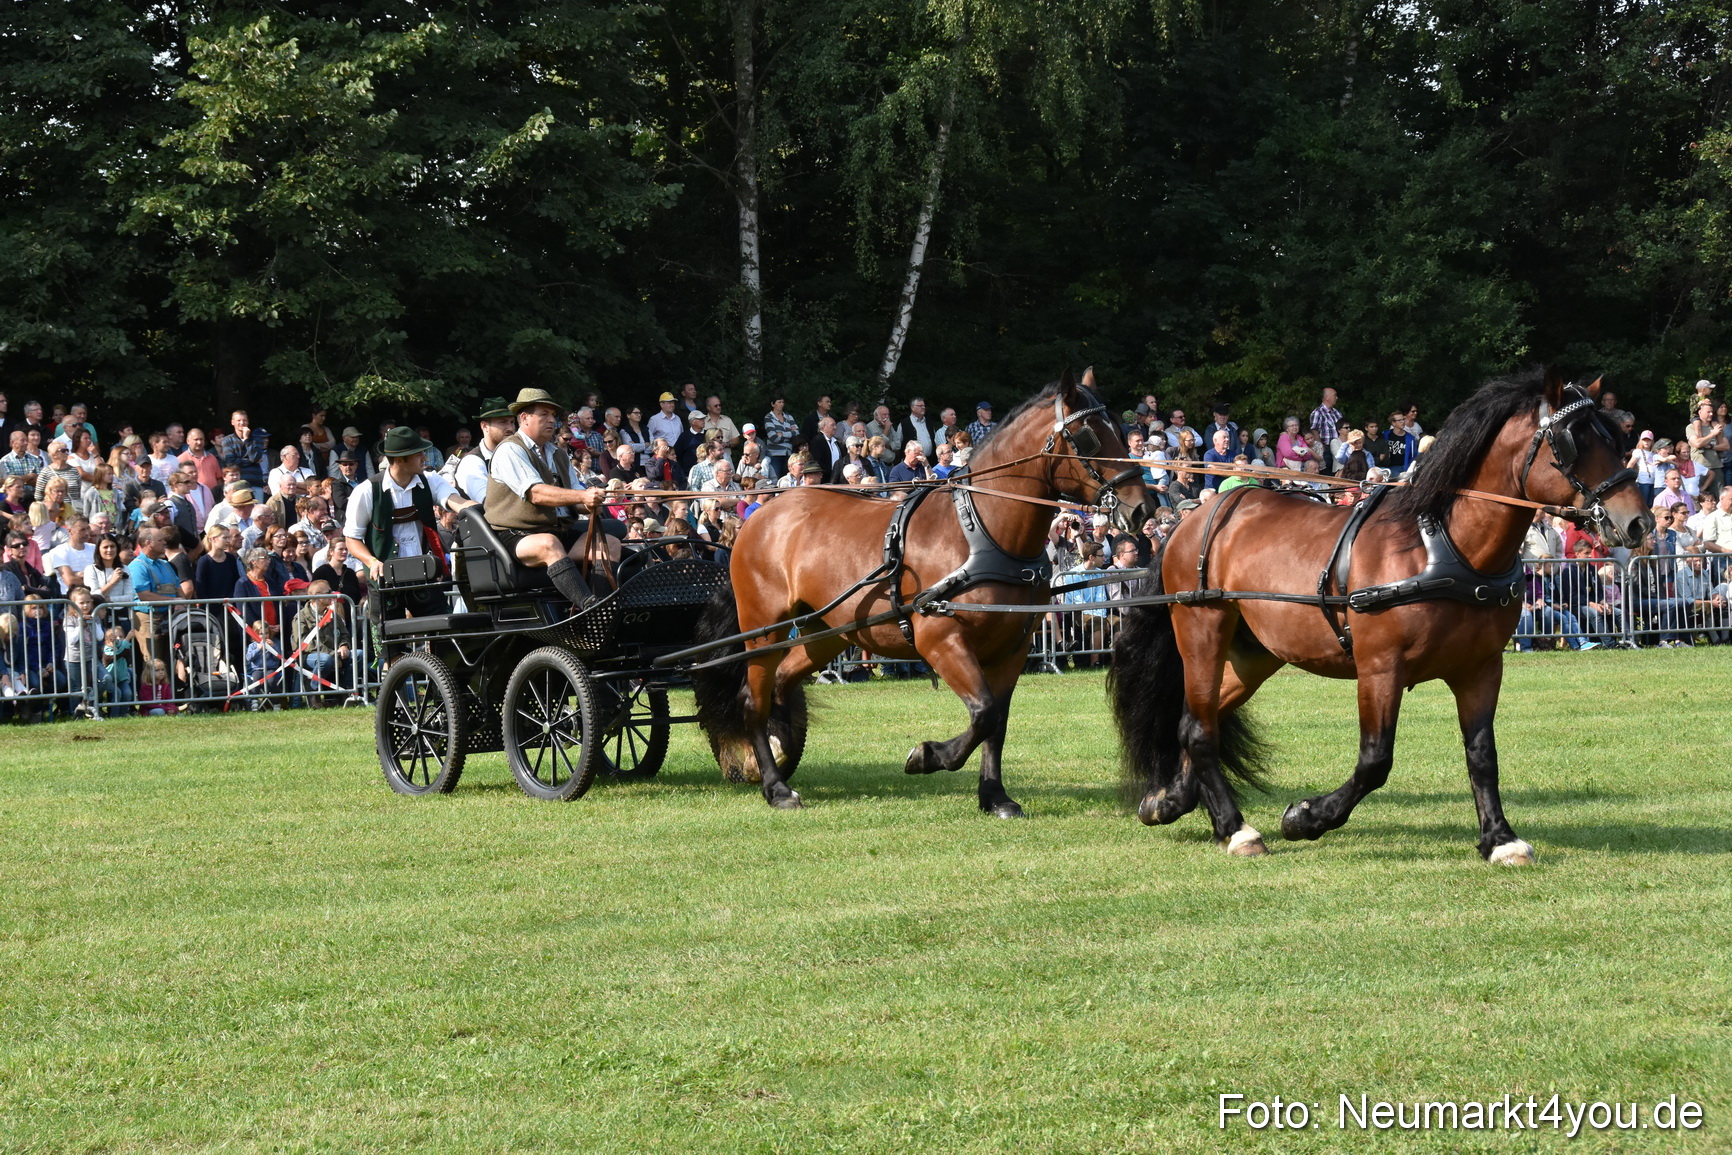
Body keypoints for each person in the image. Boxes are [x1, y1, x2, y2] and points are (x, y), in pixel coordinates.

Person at [483, 388, 621, 609]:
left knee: (609, 544)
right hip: (516, 535)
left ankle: (605, 606)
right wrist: (582, 495)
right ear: (524, 418)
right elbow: (536, 492)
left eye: (553, 415)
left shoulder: (558, 454)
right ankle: (589, 608)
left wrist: (590, 502)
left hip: (556, 530)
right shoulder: (510, 450)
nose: (551, 420)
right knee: (549, 543)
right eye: (544, 414)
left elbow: (577, 499)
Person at [344, 426, 477, 635]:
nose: (424, 458)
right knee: (390, 648)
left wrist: (478, 510)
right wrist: (371, 561)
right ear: (400, 459)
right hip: (384, 579)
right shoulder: (367, 491)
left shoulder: (430, 480)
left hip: (424, 574)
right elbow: (352, 539)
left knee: (443, 637)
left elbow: (454, 500)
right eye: (418, 454)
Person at [1687, 399, 1725, 502]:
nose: (1711, 414)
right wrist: (1713, 434)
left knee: (1720, 499)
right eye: (1708, 412)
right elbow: (1697, 443)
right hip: (1699, 468)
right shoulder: (1691, 427)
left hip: (1716, 467)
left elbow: (1726, 446)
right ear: (1700, 412)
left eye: (1712, 412)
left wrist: (1711, 446)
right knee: (1698, 499)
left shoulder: (1715, 426)